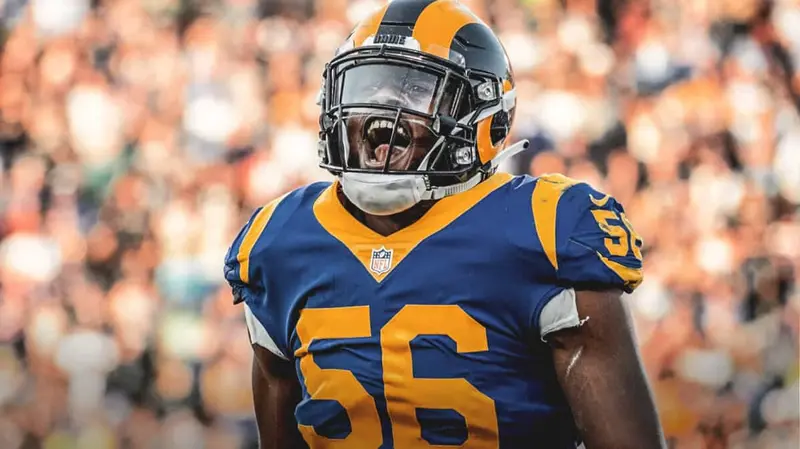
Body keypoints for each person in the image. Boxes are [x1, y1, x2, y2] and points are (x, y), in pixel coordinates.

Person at [224, 1, 667, 447]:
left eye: (415, 91)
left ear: (487, 118)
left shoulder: (545, 229)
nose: (381, 115)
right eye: (368, 87)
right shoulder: (279, 241)